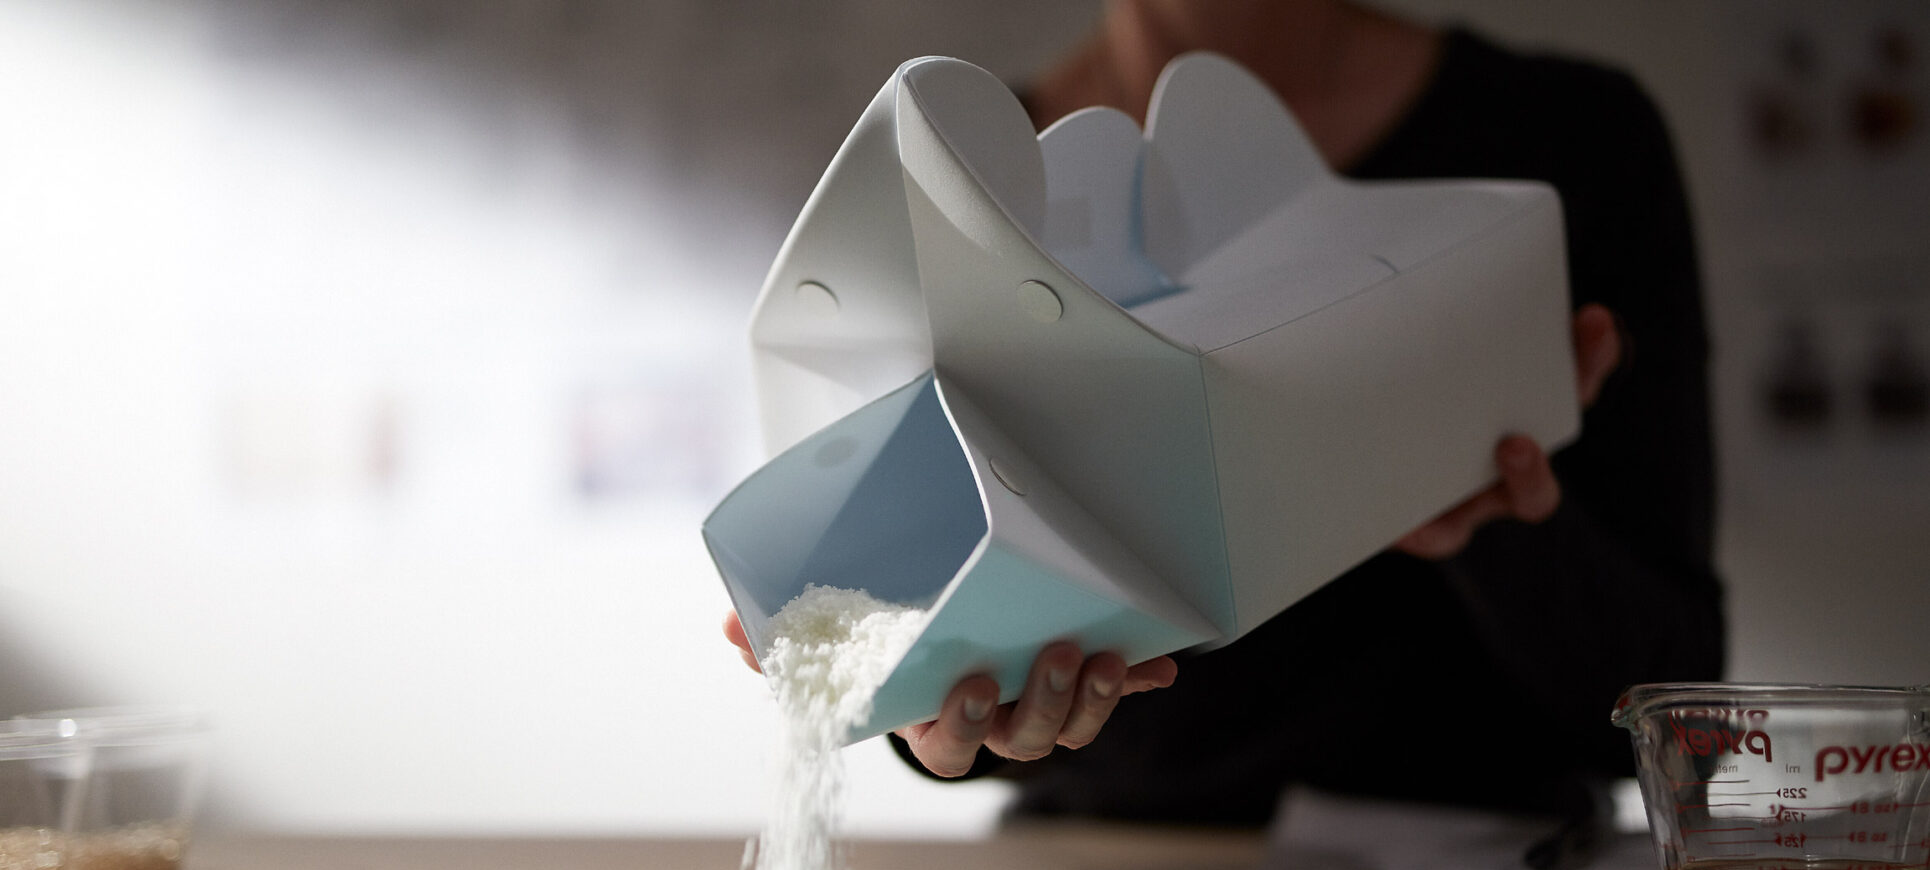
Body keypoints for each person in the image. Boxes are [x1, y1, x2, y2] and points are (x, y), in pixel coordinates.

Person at [728, 0, 1723, 824]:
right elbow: (961, 689)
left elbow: (1678, 705)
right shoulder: (945, 190)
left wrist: (1489, 511)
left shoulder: (1568, 146)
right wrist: (945, 710)